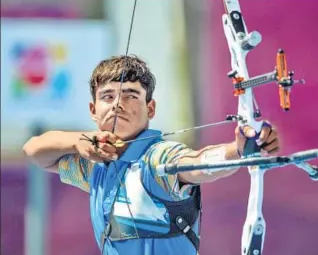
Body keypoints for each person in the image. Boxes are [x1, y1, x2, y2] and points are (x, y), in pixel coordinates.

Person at [23, 55, 280, 255]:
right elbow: (34, 150)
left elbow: (198, 164)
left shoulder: (159, 157)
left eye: (130, 95)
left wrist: (237, 150)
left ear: (151, 108)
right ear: (93, 109)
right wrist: (79, 142)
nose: (117, 104)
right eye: (107, 96)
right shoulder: (95, 166)